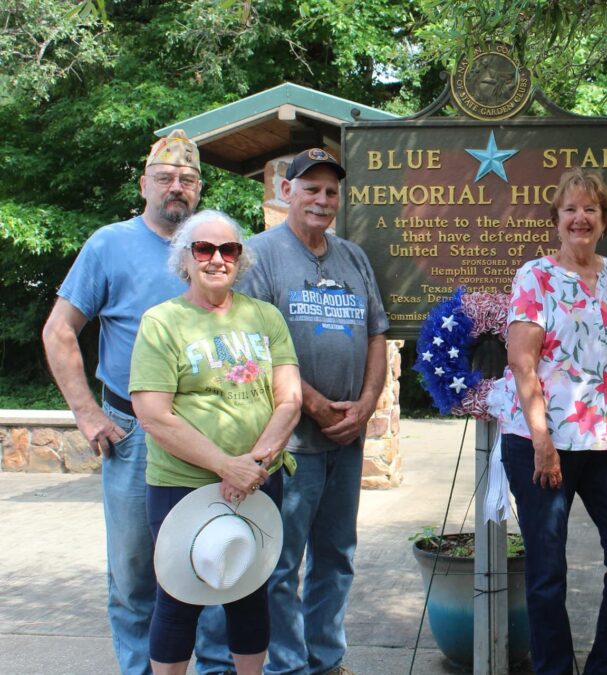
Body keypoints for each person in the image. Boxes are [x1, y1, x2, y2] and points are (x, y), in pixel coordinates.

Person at [41, 130, 203, 674]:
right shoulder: (109, 244)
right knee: (136, 568)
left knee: (210, 557)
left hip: (207, 435)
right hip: (134, 432)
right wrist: (87, 415)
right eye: (164, 178)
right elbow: (59, 331)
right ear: (143, 185)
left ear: (199, 189)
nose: (175, 187)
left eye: (187, 179)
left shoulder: (216, 245)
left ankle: (215, 667)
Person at [229, 147, 388, 675]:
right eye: (311, 188)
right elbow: (257, 349)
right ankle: (289, 666)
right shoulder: (259, 256)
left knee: (337, 557)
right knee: (280, 564)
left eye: (331, 191)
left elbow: (375, 335)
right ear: (287, 192)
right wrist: (316, 407)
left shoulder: (353, 257)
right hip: (292, 446)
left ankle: (327, 660)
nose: (322, 200)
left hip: (347, 440)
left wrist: (365, 406)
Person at [129, 209, 302, 674]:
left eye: (229, 250)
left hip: (258, 478)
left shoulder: (265, 316)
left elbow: (289, 400)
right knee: (178, 597)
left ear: (241, 259)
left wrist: (252, 465)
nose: (217, 259)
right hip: (182, 485)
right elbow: (154, 416)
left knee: (248, 588)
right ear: (185, 258)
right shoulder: (162, 323)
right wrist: (228, 466)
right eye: (204, 249)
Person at [498, 167, 607, 674]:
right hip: (543, 445)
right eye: (570, 209)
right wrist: (543, 441)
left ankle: (605, 668)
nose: (580, 218)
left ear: (604, 220)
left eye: (590, 209)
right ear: (557, 220)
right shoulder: (535, 276)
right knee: (547, 574)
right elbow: (523, 361)